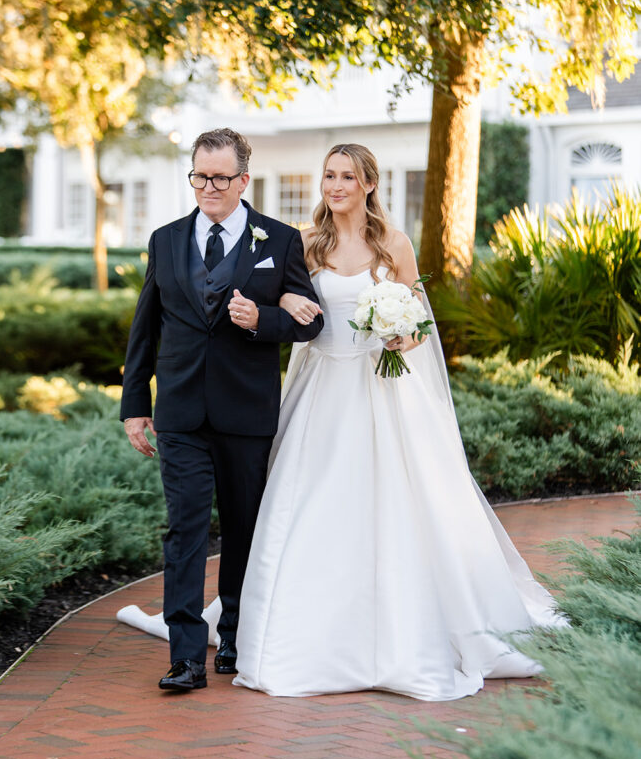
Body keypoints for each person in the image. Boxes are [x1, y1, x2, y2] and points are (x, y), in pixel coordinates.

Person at [120, 141, 564, 701]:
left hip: (382, 389)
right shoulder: (301, 241)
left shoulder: (390, 243)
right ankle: (224, 640)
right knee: (290, 507)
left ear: (368, 183)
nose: (335, 186)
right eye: (328, 175)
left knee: (379, 505)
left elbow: (419, 320)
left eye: (346, 176)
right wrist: (276, 315)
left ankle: (373, 621)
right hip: (318, 387)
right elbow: (289, 307)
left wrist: (404, 332)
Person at [119, 127, 323, 693]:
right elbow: (145, 328)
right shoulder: (165, 240)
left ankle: (233, 632)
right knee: (184, 530)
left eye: (219, 177)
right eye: (199, 176)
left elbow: (313, 322)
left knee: (242, 529)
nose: (207, 186)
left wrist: (264, 321)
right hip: (181, 411)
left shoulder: (279, 241)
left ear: (243, 180)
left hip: (247, 413)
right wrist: (136, 403)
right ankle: (186, 655)